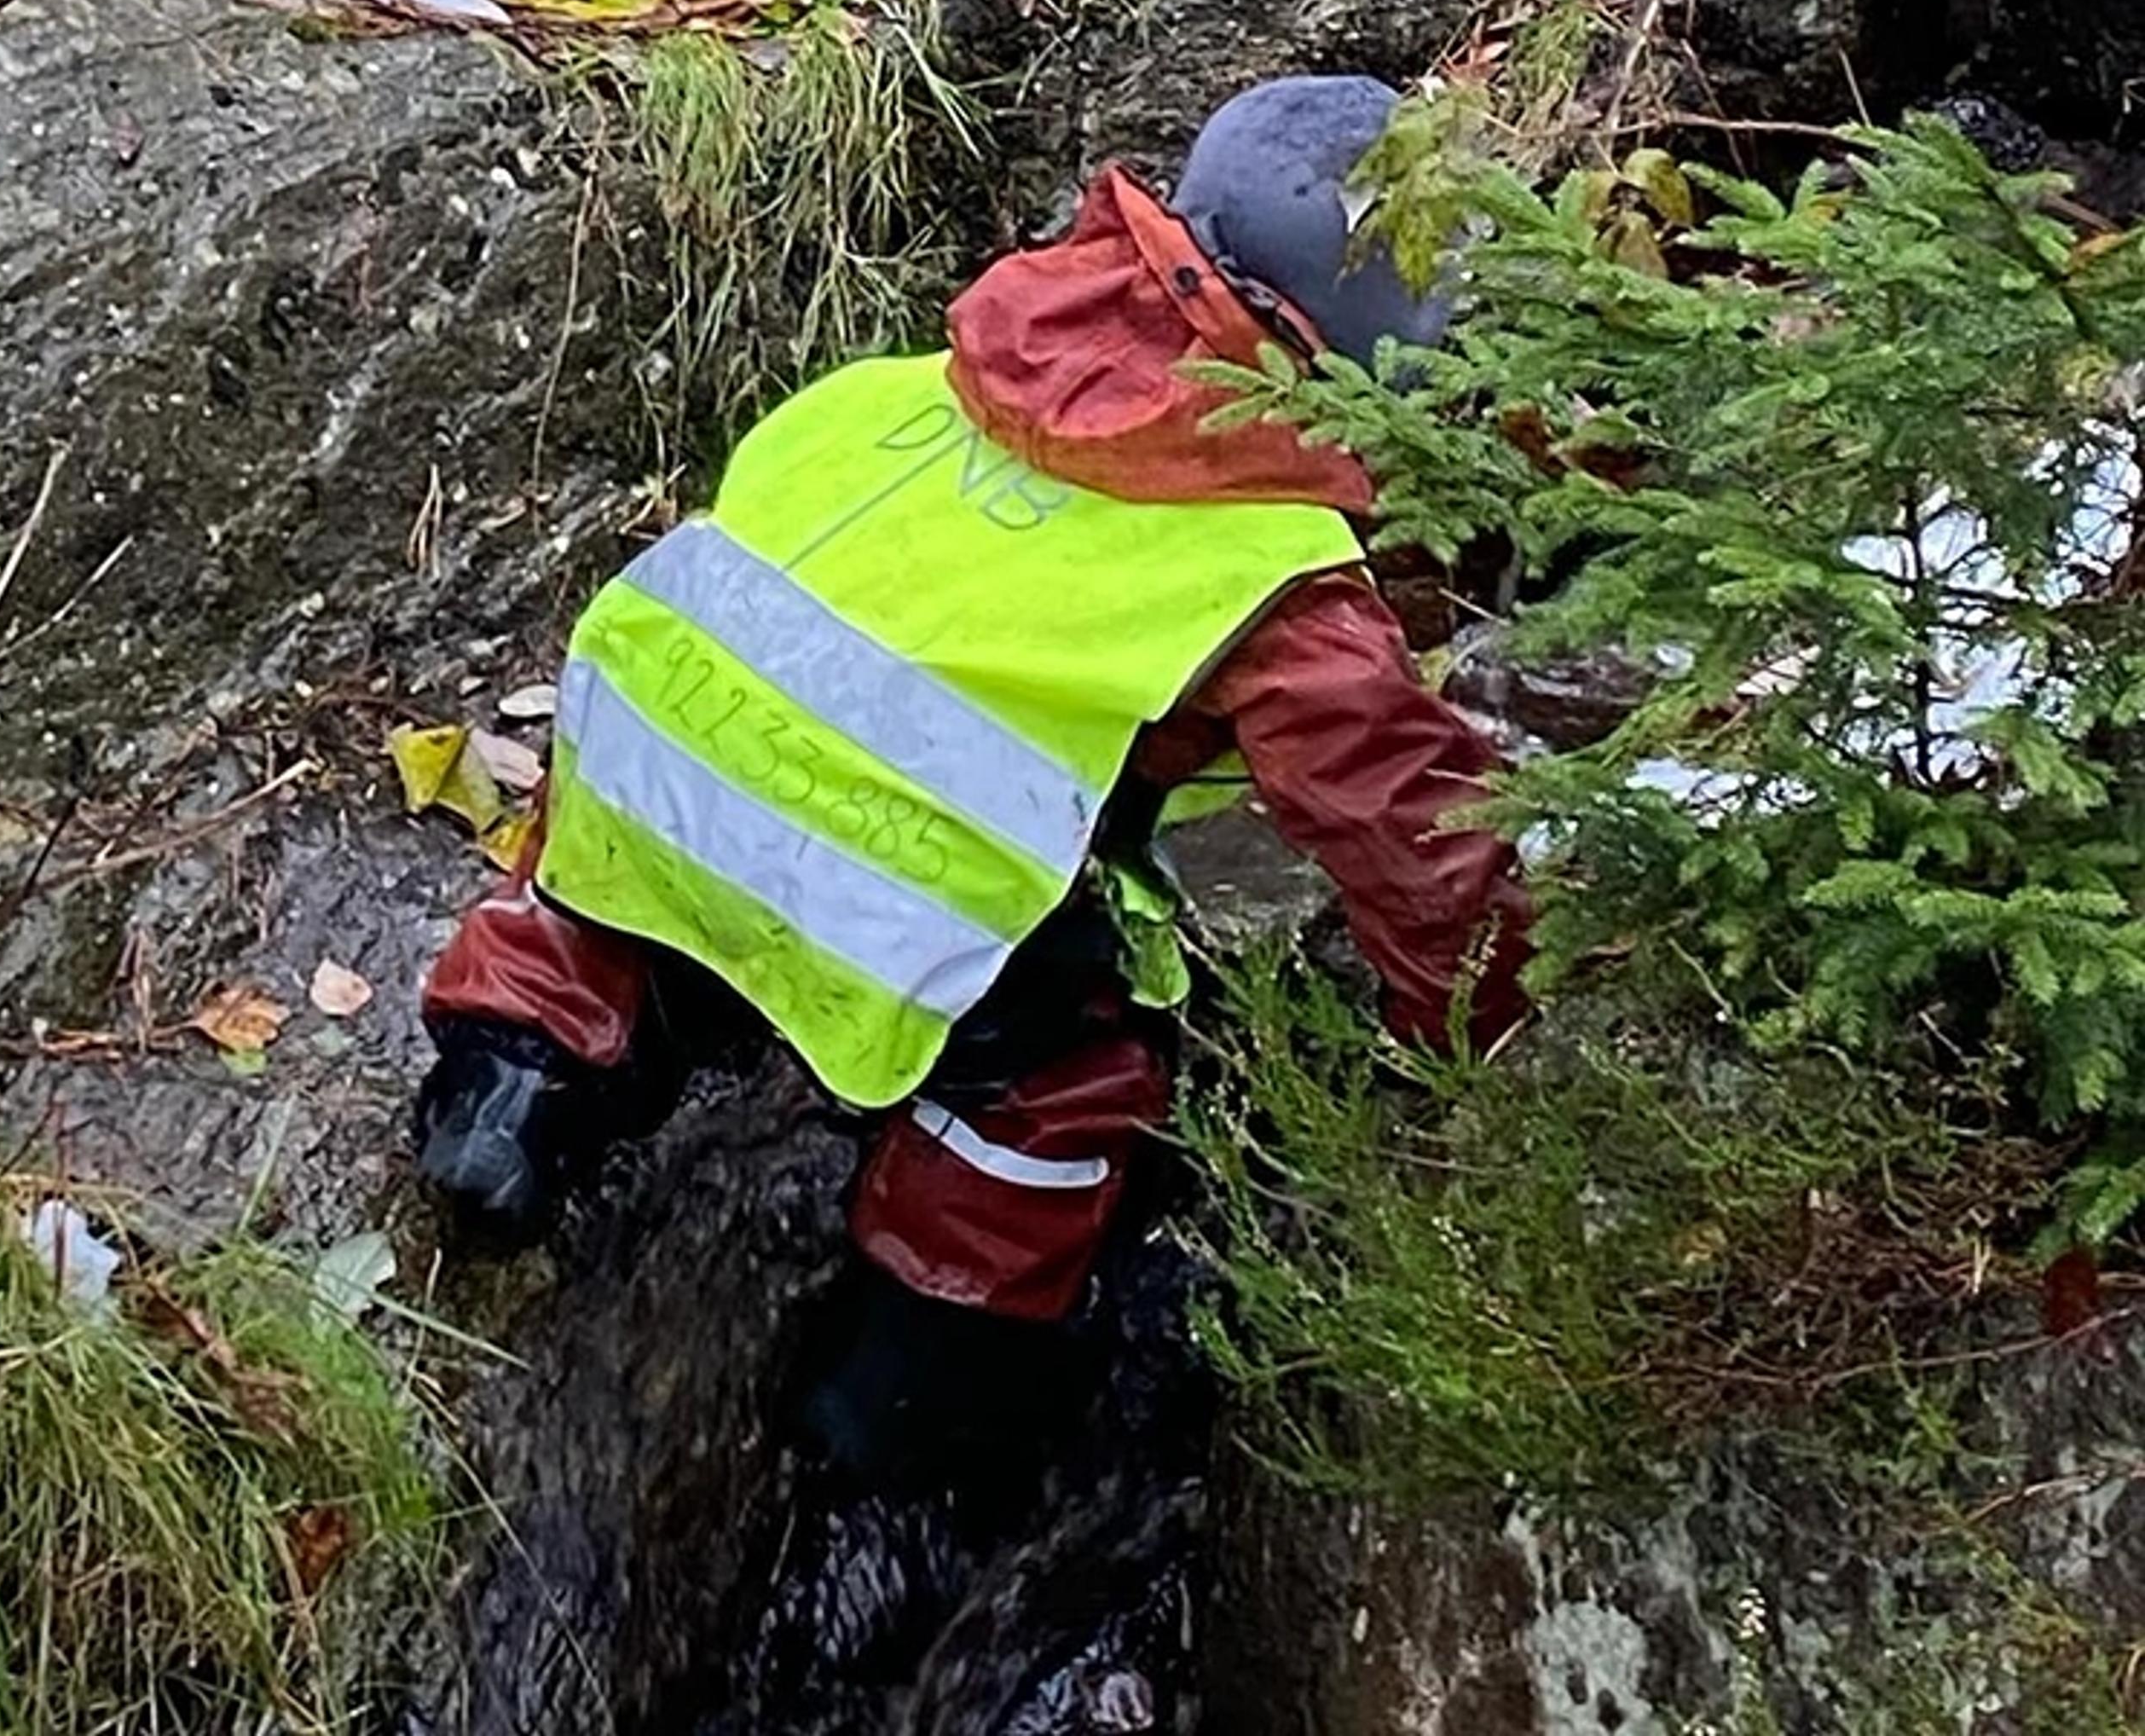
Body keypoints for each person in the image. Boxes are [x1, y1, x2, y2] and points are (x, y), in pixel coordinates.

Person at [411, 74, 1534, 1481]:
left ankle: (510, 1086)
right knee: (1068, 1068)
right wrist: (1488, 1038)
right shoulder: (1275, 563)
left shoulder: (929, 378)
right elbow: (1416, 844)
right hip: (891, 879)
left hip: (648, 752)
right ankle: (908, 1391)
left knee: (605, 875)